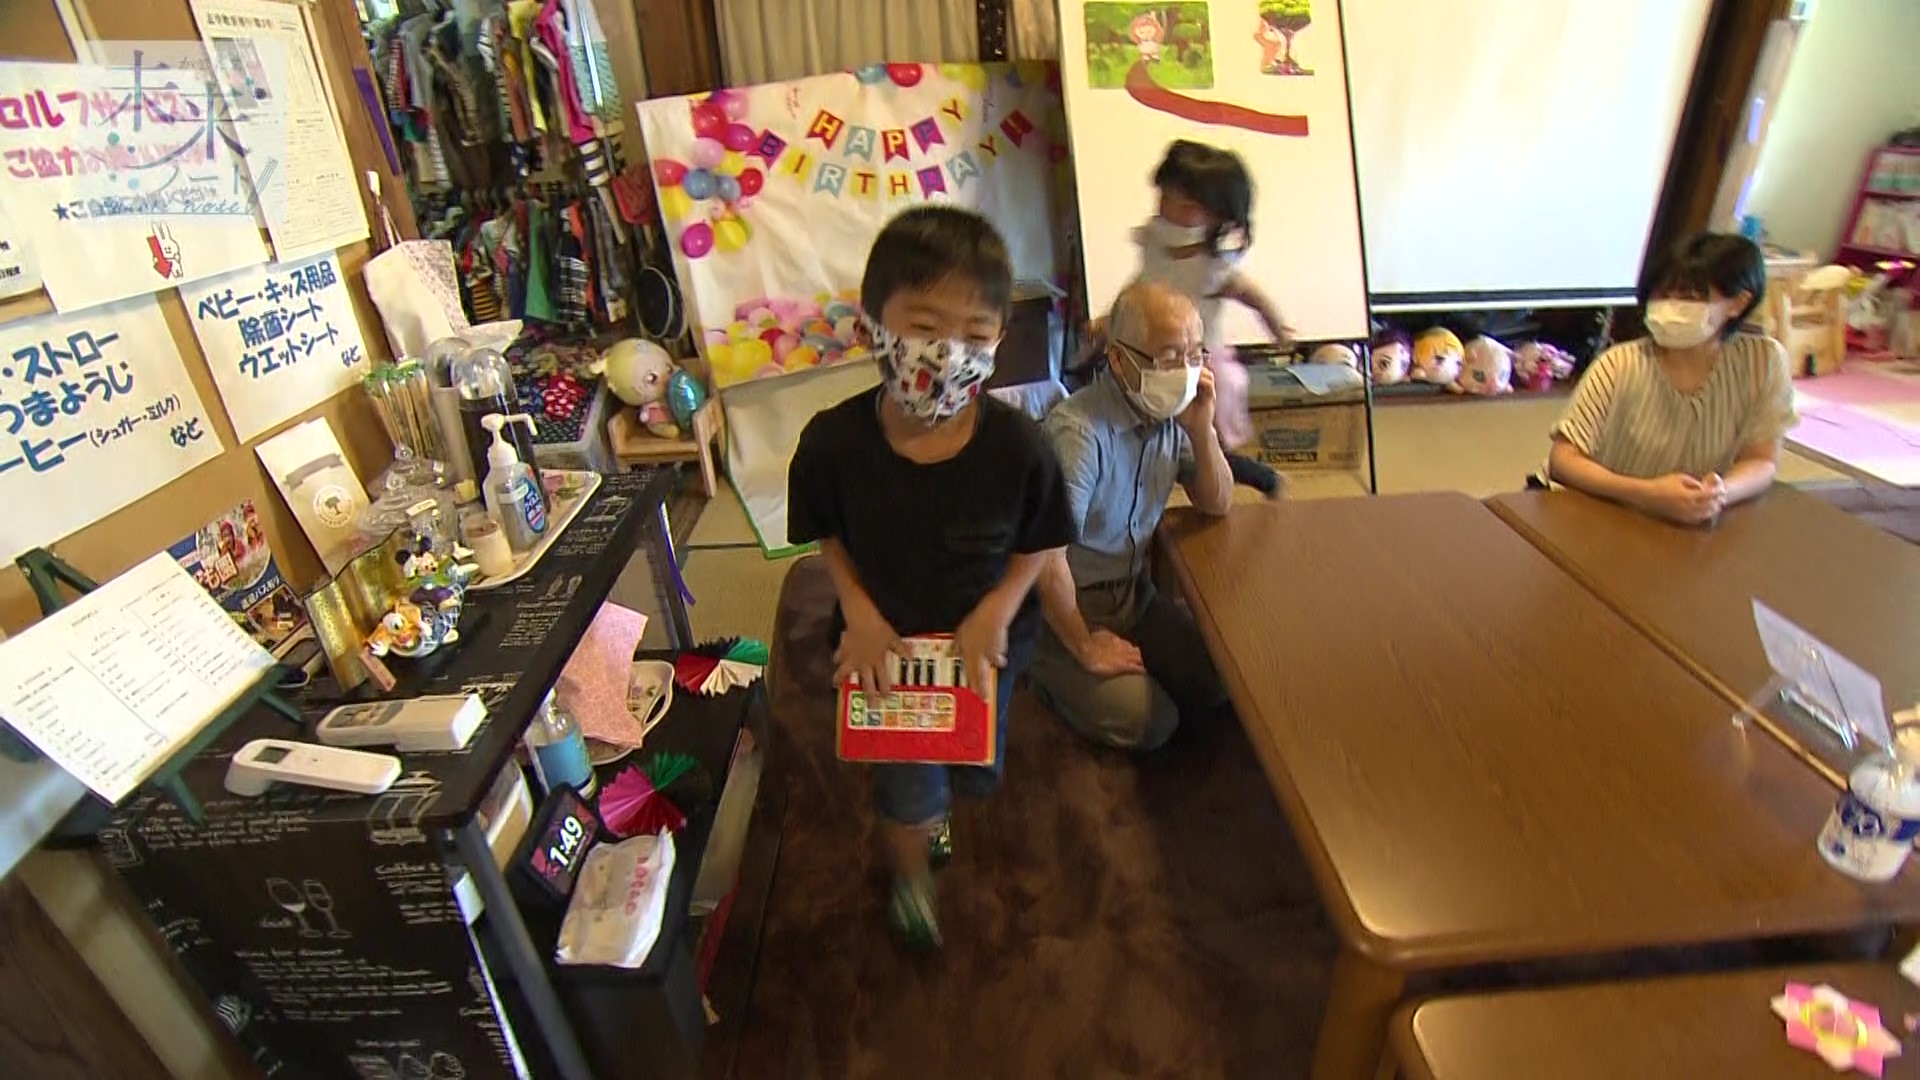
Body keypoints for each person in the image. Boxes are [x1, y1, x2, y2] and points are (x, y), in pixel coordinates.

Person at [785, 206, 1074, 950]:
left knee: (976, 762)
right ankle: (911, 874)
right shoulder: (832, 444)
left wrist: (998, 611)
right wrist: (858, 610)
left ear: (999, 342)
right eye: (923, 326)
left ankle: (941, 806)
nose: (948, 355)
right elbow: (825, 529)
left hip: (986, 647)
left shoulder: (1022, 449)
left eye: (975, 335)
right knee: (907, 781)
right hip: (888, 646)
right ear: (870, 328)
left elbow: (1041, 540)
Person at [1030, 282, 1233, 753]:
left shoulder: (1171, 416)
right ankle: (1039, 670)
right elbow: (1045, 560)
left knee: (1221, 681)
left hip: (1133, 596)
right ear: (1120, 361)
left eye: (1195, 355)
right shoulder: (1079, 432)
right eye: (1169, 357)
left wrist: (1203, 430)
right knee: (1152, 721)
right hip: (1062, 608)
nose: (1186, 371)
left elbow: (1217, 501)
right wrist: (1085, 646)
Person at [1548, 232, 1795, 525]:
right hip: (1601, 511)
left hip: (1691, 523)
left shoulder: (1763, 362)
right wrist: (1646, 494)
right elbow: (1563, 460)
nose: (1669, 307)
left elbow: (1761, 459)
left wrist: (1718, 494)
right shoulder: (1619, 364)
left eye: (1689, 298)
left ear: (1738, 303)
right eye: (1662, 295)